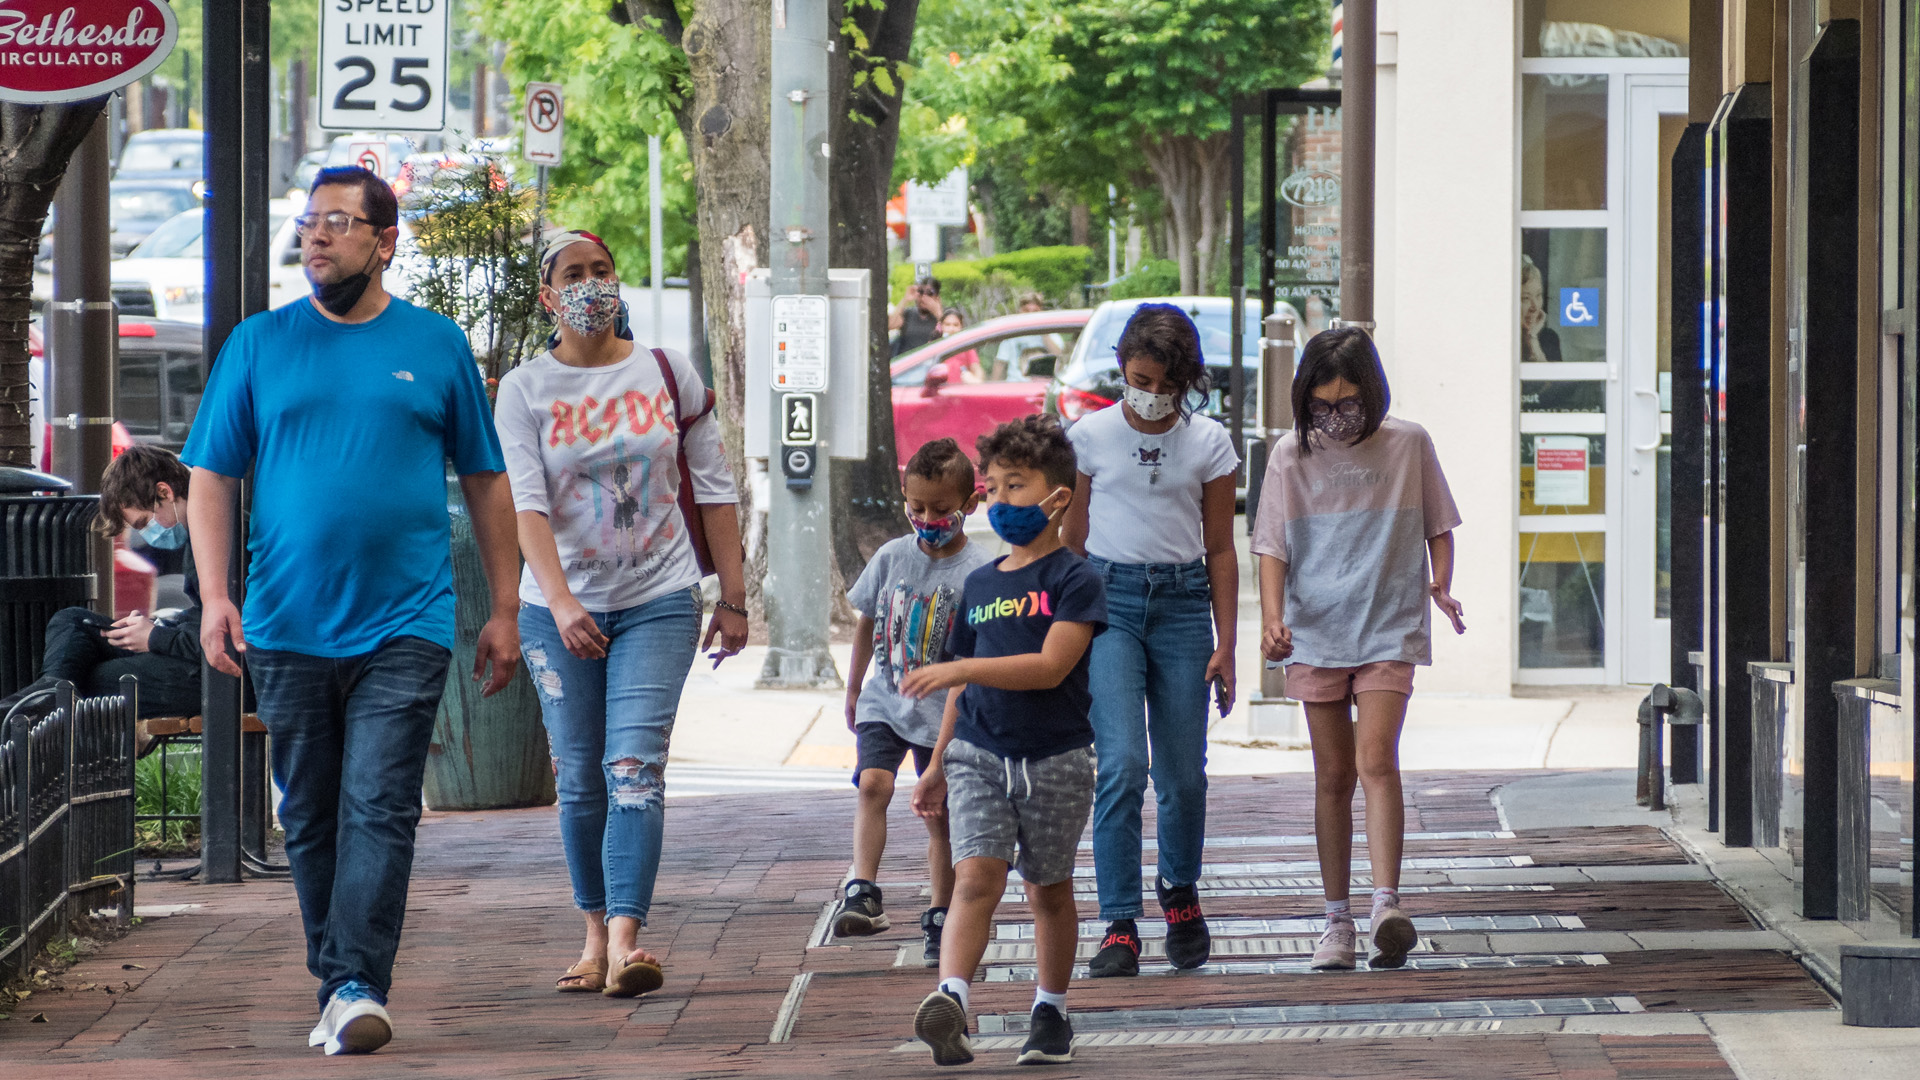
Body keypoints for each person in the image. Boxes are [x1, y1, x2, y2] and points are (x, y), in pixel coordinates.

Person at [184, 166, 524, 1056]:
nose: (317, 237)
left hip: (405, 621)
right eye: (309, 223)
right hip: (287, 621)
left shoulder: (437, 344)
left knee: (379, 803)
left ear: (385, 241)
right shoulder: (258, 345)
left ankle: (355, 982)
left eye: (338, 223)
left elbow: (487, 480)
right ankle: (339, 980)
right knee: (312, 814)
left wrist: (506, 606)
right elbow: (211, 478)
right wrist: (217, 595)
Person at [493, 229, 750, 999]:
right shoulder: (524, 389)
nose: (590, 284)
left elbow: (716, 489)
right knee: (580, 779)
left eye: (601, 270)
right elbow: (526, 506)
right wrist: (561, 602)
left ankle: (629, 942)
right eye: (572, 274)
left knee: (634, 767)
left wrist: (734, 598)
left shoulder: (668, 374)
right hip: (555, 609)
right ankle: (594, 931)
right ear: (549, 297)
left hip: (658, 599)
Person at [1250, 327, 1466, 971]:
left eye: (1348, 404)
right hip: (1314, 631)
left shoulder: (1409, 443)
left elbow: (1440, 526)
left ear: (1372, 393)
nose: (1336, 418)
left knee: (1377, 761)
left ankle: (1386, 906)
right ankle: (1336, 920)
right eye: (1322, 406)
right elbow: (1271, 546)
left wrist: (1441, 585)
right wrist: (1271, 618)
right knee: (1332, 776)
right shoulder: (1291, 454)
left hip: (1387, 627)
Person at [903, 415, 1105, 1068]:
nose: (999, 500)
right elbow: (961, 693)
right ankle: (953, 1001)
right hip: (978, 756)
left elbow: (1050, 666)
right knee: (975, 879)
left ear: (1058, 498)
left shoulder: (1075, 581)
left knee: (1048, 889)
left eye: (1015, 486)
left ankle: (1050, 1010)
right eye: (992, 487)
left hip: (1057, 759)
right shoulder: (981, 584)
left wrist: (959, 667)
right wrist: (936, 763)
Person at [1063, 303, 1239, 978]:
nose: (1152, 396)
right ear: (1121, 370)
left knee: (1182, 774)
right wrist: (1065, 632)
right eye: (1140, 379)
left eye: (1167, 386)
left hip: (1184, 604)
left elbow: (1221, 548)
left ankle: (1181, 894)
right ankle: (1118, 922)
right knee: (1122, 765)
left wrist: (1227, 643)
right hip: (1109, 603)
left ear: (1185, 381)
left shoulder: (1208, 443)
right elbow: (1073, 542)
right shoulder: (1091, 437)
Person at [832, 437, 993, 965]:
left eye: (942, 509)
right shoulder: (891, 556)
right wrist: (854, 687)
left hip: (942, 715)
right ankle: (863, 889)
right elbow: (866, 623)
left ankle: (941, 913)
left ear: (969, 504)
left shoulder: (979, 572)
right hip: (886, 698)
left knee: (938, 813)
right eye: (917, 507)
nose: (927, 519)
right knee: (873, 782)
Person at [0, 445, 203, 720]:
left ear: (164, 492)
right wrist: (158, 625)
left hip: (216, 673)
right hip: (191, 650)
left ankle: (28, 712)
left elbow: (225, 635)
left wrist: (155, 637)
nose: (147, 533)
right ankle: (45, 698)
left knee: (95, 680)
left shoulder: (216, 539)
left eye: (143, 522)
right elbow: (201, 617)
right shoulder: (198, 536)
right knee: (72, 621)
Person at [1522, 254, 1563, 363]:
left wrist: (1532, 339)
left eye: (1538, 295)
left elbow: (1551, 380)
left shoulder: (1549, 338)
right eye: (1526, 298)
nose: (1535, 307)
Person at [891, 276, 944, 356]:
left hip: (929, 363)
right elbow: (890, 325)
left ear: (937, 297)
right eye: (921, 292)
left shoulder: (943, 317)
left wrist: (938, 313)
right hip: (907, 363)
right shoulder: (908, 313)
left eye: (929, 293)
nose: (924, 297)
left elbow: (951, 336)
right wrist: (905, 300)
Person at [937, 307, 983, 384]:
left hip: (961, 391)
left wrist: (976, 380)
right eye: (947, 325)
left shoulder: (966, 347)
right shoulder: (935, 347)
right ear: (941, 326)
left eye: (955, 325)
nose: (951, 329)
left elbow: (977, 369)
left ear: (961, 327)